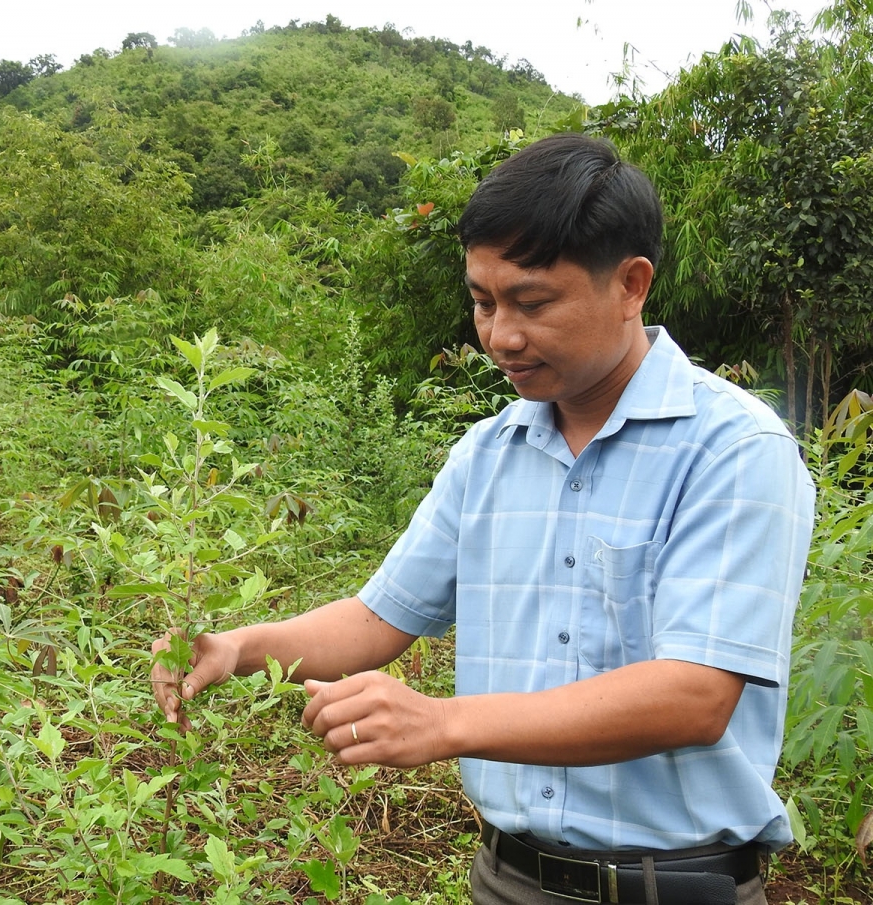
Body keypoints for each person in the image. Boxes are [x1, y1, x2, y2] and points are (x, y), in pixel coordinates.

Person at [151, 132, 815, 905]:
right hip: (506, 877)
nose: (500, 335)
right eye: (483, 301)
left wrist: (445, 721)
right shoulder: (489, 453)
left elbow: (695, 694)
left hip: (672, 886)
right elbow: (378, 618)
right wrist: (239, 646)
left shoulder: (733, 448)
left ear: (631, 284)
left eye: (533, 302)